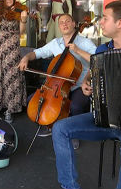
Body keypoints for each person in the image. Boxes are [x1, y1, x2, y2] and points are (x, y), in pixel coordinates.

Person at [52, 0, 121, 189]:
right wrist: (87, 81)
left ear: (120, 23)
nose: (101, 22)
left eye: (105, 18)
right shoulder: (102, 50)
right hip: (104, 119)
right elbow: (94, 69)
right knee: (60, 129)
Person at [19, 13, 97, 143]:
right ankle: (49, 125)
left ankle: (74, 133)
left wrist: (77, 51)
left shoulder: (85, 42)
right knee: (31, 100)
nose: (65, 24)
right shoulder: (55, 43)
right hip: (56, 86)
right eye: (61, 22)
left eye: (68, 21)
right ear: (59, 27)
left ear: (73, 24)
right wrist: (26, 57)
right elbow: (37, 53)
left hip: (78, 86)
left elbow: (97, 61)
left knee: (76, 107)